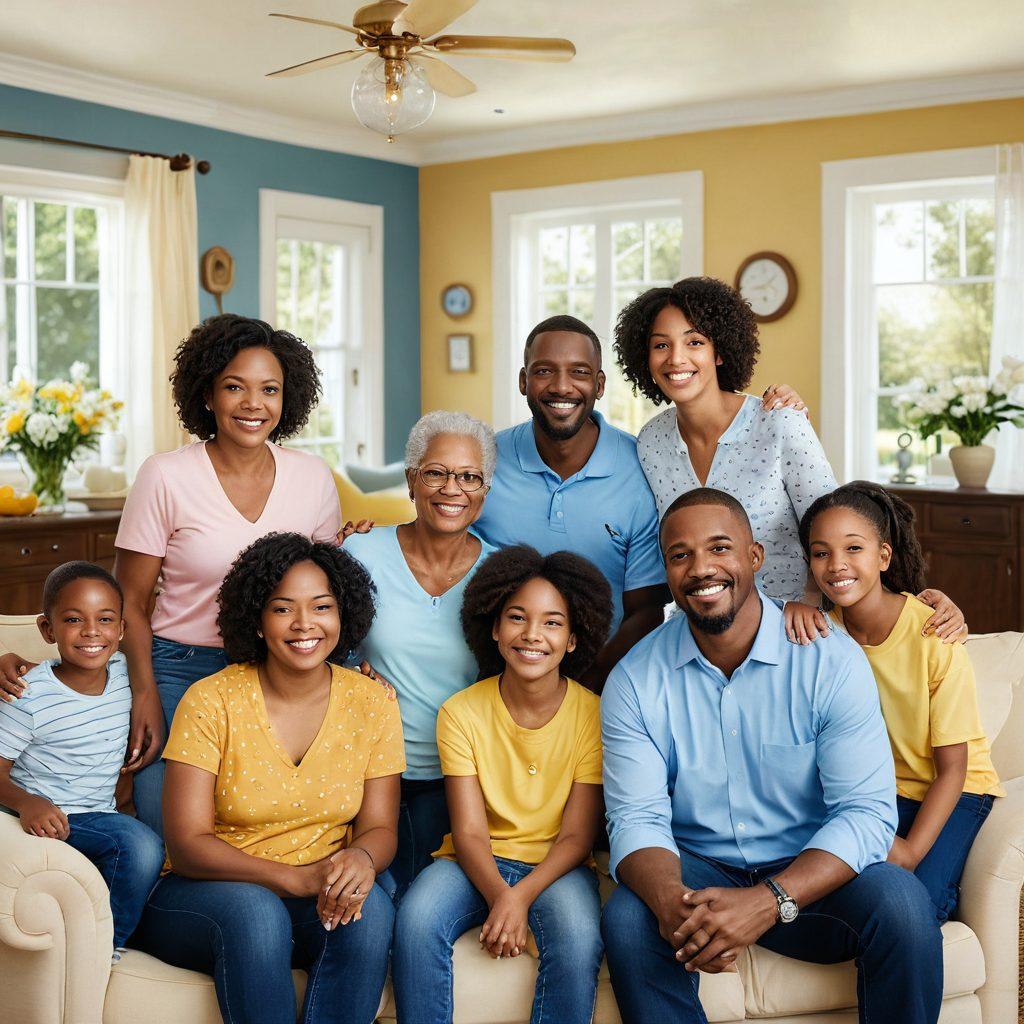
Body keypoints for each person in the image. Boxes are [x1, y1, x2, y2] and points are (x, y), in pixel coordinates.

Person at [600, 487, 942, 1024]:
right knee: (627, 915)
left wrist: (767, 901)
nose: (700, 569)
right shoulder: (635, 680)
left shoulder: (829, 659)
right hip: (700, 870)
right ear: (666, 569)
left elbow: (866, 813)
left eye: (719, 548)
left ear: (754, 557)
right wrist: (673, 906)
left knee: (901, 902)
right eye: (680, 555)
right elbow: (636, 818)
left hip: (811, 874)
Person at [132, 534, 403, 1024]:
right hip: (207, 898)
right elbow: (189, 845)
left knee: (373, 912)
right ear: (256, 619)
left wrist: (361, 859)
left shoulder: (372, 702)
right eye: (283, 609)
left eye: (322, 606)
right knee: (257, 914)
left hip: (313, 897)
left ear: (344, 616)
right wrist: (296, 879)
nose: (305, 625)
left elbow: (381, 827)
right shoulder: (210, 700)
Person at [615, 278, 965, 645]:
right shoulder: (651, 442)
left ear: (719, 352)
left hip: (794, 627)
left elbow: (832, 529)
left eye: (695, 342)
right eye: (661, 345)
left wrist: (810, 602)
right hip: (703, 630)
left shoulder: (779, 420)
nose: (676, 358)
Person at [116, 314, 341, 834]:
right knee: (171, 829)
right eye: (234, 387)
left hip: (279, 674)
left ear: (288, 400)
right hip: (179, 671)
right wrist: (144, 692)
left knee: (261, 829)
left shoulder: (312, 478)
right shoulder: (164, 476)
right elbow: (129, 599)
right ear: (208, 394)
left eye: (269, 389)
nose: (252, 404)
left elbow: (327, 589)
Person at [393, 546, 611, 1024]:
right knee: (415, 919)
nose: (532, 635)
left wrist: (522, 895)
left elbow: (576, 838)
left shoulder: (594, 714)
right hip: (472, 860)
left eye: (553, 623)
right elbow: (469, 832)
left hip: (556, 866)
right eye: (517, 617)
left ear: (574, 639)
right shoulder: (460, 712)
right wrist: (501, 895)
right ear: (494, 629)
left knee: (577, 938)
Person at [800, 481, 1003, 922]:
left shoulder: (934, 636)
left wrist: (909, 850)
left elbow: (954, 769)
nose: (837, 565)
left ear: (884, 556)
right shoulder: (817, 636)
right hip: (872, 791)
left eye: (854, 548)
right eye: (821, 553)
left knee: (914, 909)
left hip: (954, 788)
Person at [343, 411, 498, 896]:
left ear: (484, 492)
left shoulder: (502, 574)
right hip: (365, 772)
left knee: (415, 904)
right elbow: (316, 644)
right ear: (412, 481)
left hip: (462, 779)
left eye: (469, 477)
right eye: (436, 473)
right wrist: (350, 671)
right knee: (366, 901)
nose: (453, 488)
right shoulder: (361, 554)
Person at [473, 315, 668, 690]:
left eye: (578, 372)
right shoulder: (485, 460)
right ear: (523, 381)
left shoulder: (641, 467)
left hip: (601, 686)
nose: (562, 387)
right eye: (544, 371)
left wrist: (582, 691)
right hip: (495, 685)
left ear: (598, 384)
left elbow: (645, 611)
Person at [0, 562, 163, 954]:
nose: (92, 632)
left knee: (144, 851)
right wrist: (28, 803)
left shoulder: (127, 675)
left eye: (105, 620)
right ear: (48, 629)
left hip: (98, 817)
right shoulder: (29, 694)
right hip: (45, 815)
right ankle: (101, 951)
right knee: (140, 846)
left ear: (122, 629)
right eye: (74, 619)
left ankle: (106, 934)